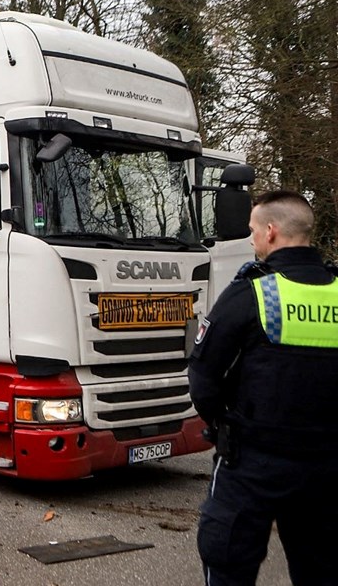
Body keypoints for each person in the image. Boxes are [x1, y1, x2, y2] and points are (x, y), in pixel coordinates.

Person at [188, 190, 338, 585]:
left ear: (270, 232)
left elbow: (204, 377)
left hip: (252, 459)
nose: (252, 239)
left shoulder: (253, 293)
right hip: (327, 465)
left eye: (253, 231)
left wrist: (224, 424)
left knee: (229, 561)